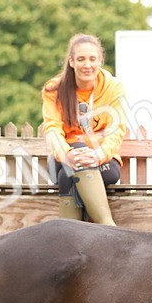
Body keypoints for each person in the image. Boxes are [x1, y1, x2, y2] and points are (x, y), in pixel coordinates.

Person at [41, 33, 128, 225]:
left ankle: (71, 241)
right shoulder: (54, 89)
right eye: (81, 59)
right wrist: (66, 154)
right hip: (63, 159)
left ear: (100, 60)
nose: (87, 65)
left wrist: (98, 154)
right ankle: (108, 229)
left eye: (92, 59)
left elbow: (117, 128)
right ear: (71, 61)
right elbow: (52, 128)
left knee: (67, 175)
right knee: (67, 168)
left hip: (103, 160)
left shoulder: (113, 87)